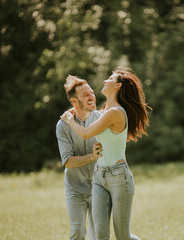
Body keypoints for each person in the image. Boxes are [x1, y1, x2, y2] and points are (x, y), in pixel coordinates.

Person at [60, 67, 150, 240]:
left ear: (117, 85)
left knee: (123, 236)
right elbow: (91, 120)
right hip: (99, 177)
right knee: (100, 235)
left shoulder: (115, 113)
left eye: (109, 78)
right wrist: (77, 110)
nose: (104, 81)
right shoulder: (105, 112)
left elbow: (86, 133)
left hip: (119, 178)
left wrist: (69, 120)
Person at [56, 75, 101, 240]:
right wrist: (93, 156)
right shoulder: (63, 126)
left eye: (91, 92)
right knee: (77, 233)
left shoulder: (101, 119)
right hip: (75, 188)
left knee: (98, 235)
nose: (91, 96)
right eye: (85, 95)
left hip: (99, 187)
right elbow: (68, 162)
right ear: (74, 101)